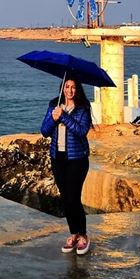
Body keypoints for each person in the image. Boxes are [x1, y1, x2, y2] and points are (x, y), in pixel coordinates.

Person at [40, 75, 92, 255]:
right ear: (62, 88)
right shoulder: (54, 105)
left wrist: (63, 117)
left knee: (73, 197)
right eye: (67, 86)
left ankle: (83, 235)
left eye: (73, 87)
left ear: (78, 90)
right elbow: (44, 131)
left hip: (77, 160)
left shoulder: (83, 108)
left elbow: (81, 131)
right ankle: (73, 234)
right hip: (58, 159)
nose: (70, 90)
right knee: (65, 198)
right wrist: (53, 118)